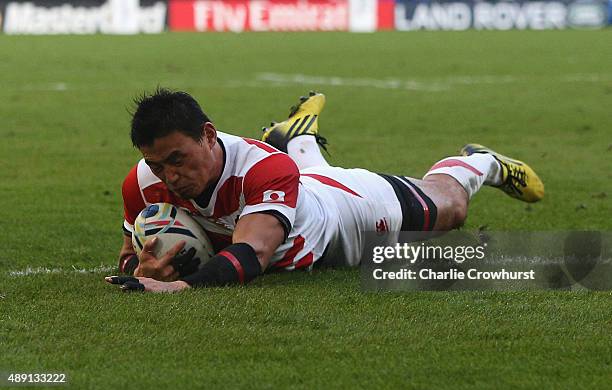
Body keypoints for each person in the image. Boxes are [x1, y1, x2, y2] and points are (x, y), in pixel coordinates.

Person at [105, 89, 544, 292]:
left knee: (451, 209)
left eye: (177, 159)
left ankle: (478, 161)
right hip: (297, 189)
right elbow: (131, 247)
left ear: (207, 134)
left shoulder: (261, 170)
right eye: (157, 164)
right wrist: (141, 265)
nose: (169, 176)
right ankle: (297, 137)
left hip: (343, 211)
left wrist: (181, 288)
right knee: (297, 175)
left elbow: (253, 254)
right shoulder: (144, 182)